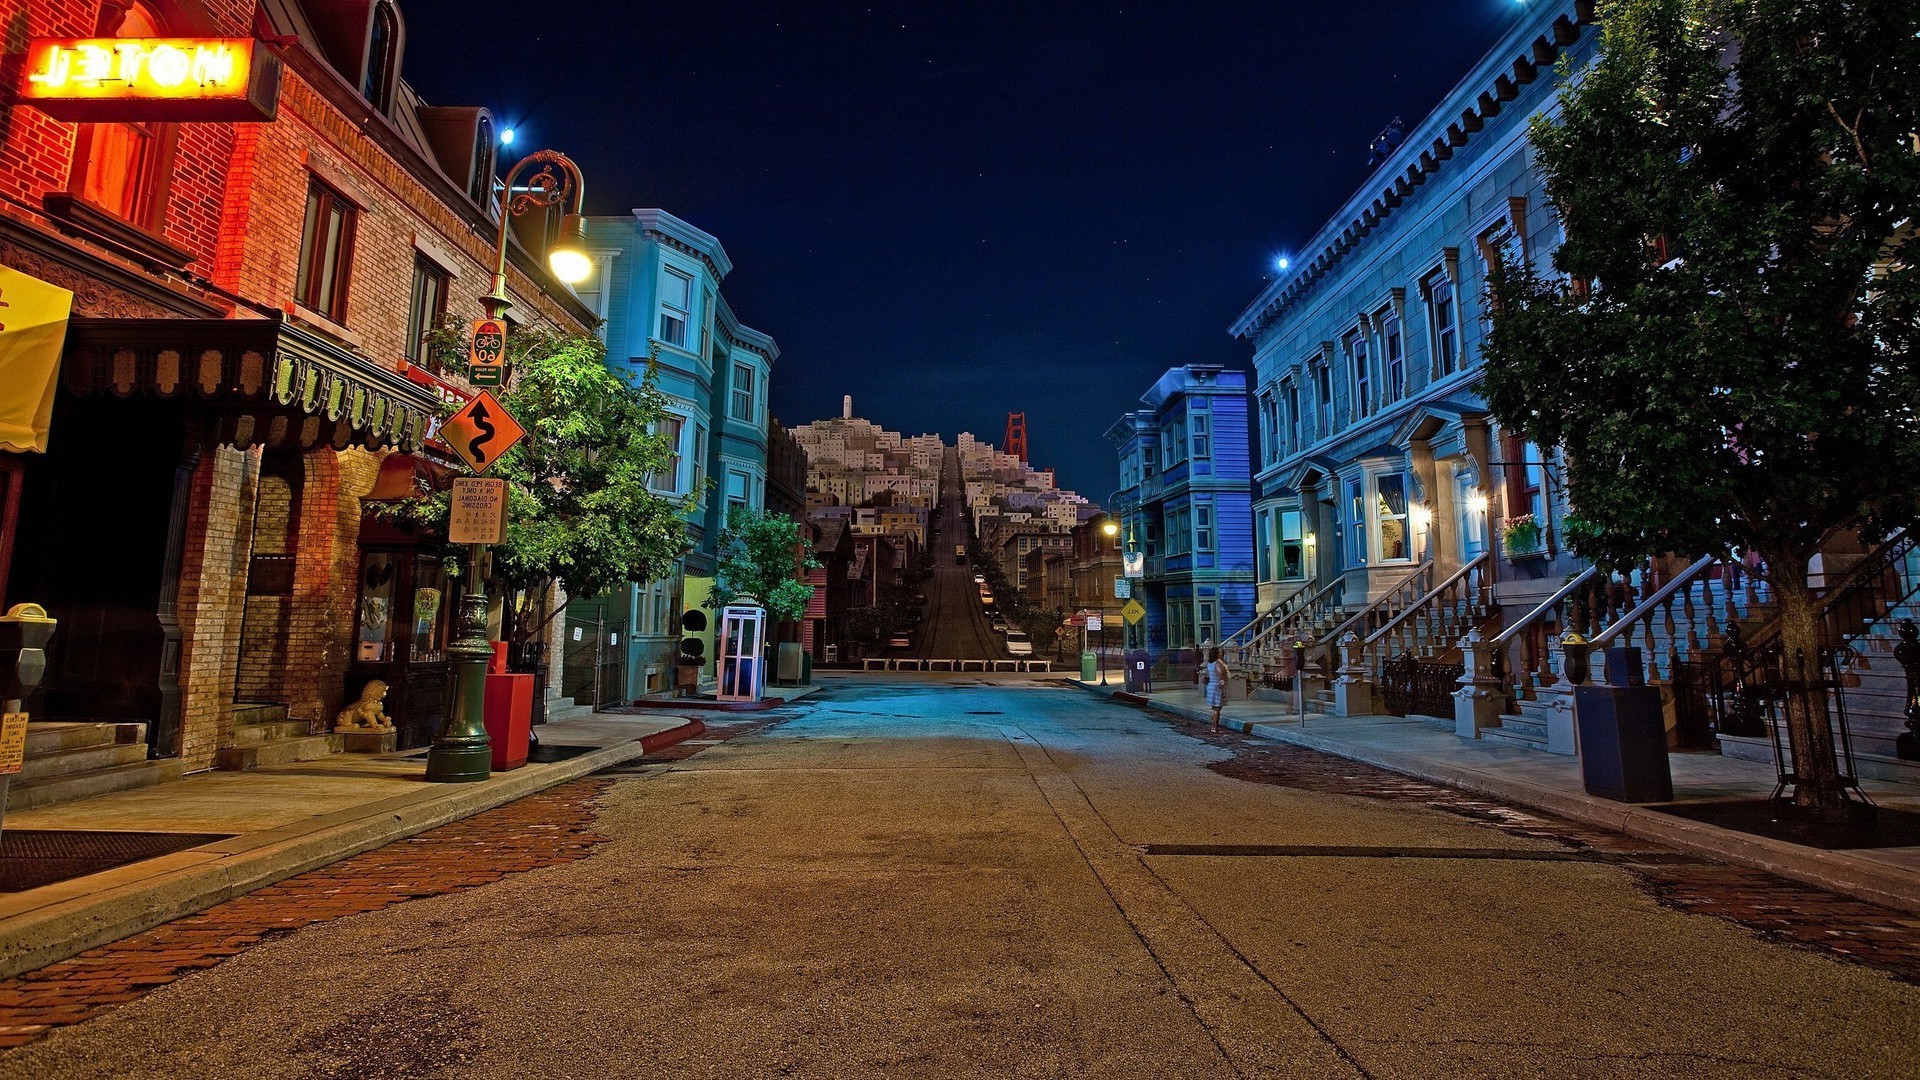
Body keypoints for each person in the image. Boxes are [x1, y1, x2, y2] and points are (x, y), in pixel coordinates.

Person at [1201, 646, 1229, 733]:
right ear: (1216, 654)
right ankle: (1215, 727)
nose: (1221, 654)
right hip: (1217, 686)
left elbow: (1208, 676)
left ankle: (1213, 726)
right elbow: (1221, 673)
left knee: (1213, 708)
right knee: (1217, 708)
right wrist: (1223, 681)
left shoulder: (1209, 664)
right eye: (1220, 652)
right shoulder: (1217, 663)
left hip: (1211, 685)